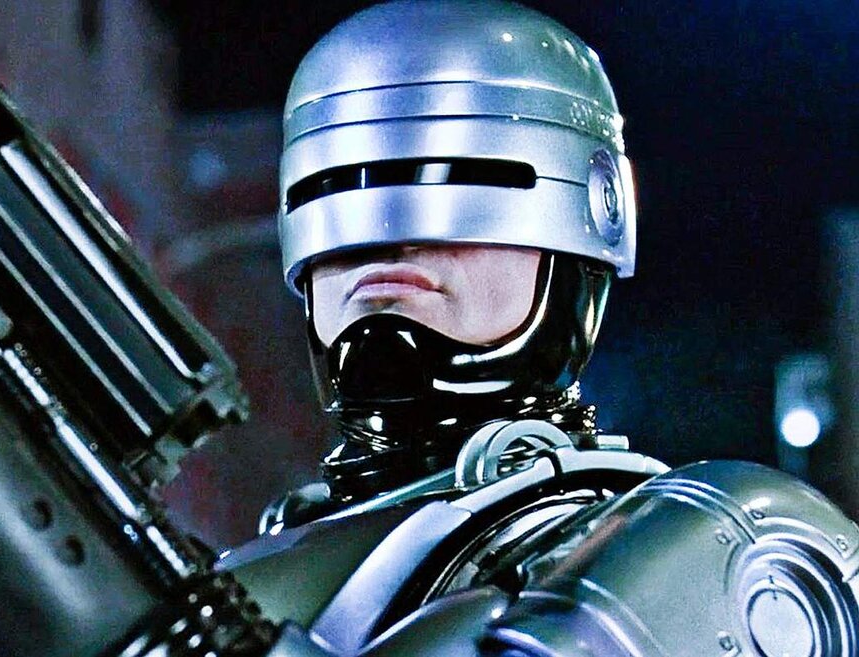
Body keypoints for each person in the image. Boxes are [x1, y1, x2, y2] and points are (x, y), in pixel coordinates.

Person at [218, 2, 859, 655]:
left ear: (587, 219)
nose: (389, 239)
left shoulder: (727, 542)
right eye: (333, 189)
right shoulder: (266, 561)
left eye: (472, 176)